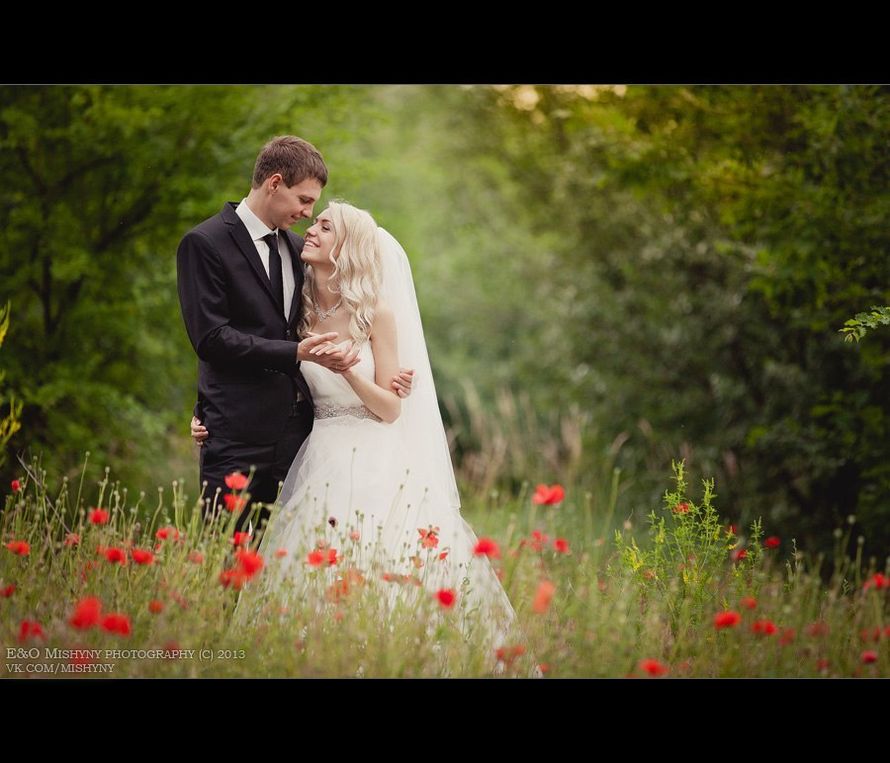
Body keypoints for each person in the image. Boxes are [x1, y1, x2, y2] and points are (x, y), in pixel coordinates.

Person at [194, 201, 516, 649]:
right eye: (314, 219)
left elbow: (389, 408)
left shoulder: (375, 313)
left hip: (374, 459)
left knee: (378, 566)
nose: (311, 227)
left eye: (325, 226)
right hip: (318, 455)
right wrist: (206, 410)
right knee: (309, 573)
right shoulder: (298, 310)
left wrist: (347, 370)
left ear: (347, 248)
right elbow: (238, 354)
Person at [177, 136, 414, 541]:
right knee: (225, 564)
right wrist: (205, 409)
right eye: (304, 201)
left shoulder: (297, 249)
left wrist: (389, 377)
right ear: (273, 183)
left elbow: (330, 323)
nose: (308, 214)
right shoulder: (205, 244)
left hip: (302, 442)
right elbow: (212, 338)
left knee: (290, 566)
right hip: (235, 437)